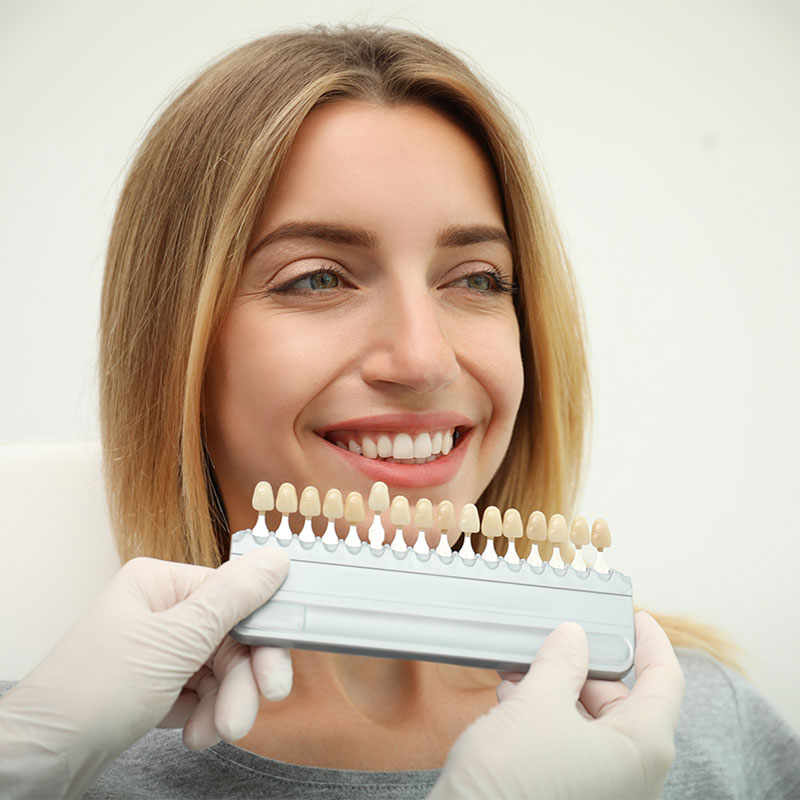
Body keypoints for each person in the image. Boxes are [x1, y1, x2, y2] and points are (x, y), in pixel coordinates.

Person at [1, 24, 798, 799]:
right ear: (180, 351)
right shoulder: (61, 752)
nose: (423, 359)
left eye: (477, 279)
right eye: (318, 278)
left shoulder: (696, 727)